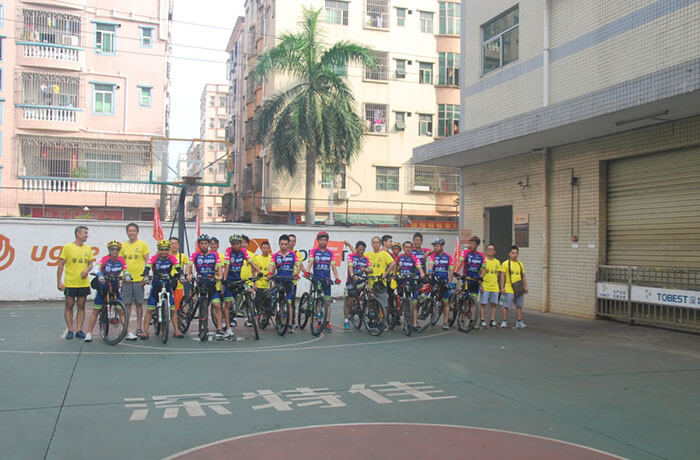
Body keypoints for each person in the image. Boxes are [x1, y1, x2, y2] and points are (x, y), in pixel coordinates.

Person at [84, 241, 129, 342]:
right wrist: (99, 274)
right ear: (109, 250)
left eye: (117, 249)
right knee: (96, 310)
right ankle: (89, 333)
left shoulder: (121, 260)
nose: (114, 251)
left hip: (114, 287)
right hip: (103, 287)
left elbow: (126, 271)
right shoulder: (105, 259)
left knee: (121, 310)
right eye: (112, 249)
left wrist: (127, 276)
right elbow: (96, 268)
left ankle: (128, 331)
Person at [57, 226, 95, 340]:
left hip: (83, 283)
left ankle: (79, 329)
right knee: (69, 305)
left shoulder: (88, 249)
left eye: (87, 233)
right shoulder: (67, 247)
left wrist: (87, 270)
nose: (86, 235)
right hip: (70, 283)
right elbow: (61, 265)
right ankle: (70, 329)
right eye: (85, 233)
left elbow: (90, 264)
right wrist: (59, 281)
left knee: (81, 306)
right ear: (78, 234)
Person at [141, 240, 182, 339]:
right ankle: (145, 332)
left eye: (166, 249)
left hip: (167, 285)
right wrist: (146, 274)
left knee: (173, 309)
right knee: (150, 309)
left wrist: (180, 274)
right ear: (158, 250)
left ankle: (176, 330)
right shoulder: (154, 258)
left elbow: (178, 268)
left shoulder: (172, 258)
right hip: (156, 285)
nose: (164, 252)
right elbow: (147, 267)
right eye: (162, 249)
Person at [187, 235, 225, 337]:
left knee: (217, 305)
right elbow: (189, 266)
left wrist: (220, 276)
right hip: (200, 283)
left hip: (212, 283)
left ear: (208, 244)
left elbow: (219, 266)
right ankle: (203, 326)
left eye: (205, 243)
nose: (203, 245)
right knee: (203, 306)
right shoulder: (194, 255)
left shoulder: (214, 255)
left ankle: (219, 328)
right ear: (199, 244)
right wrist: (188, 275)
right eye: (201, 243)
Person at [222, 234, 259, 335]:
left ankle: (247, 315)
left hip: (238, 279)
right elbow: (227, 266)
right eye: (233, 244)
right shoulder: (228, 251)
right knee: (228, 304)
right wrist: (225, 279)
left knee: (246, 293)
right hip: (229, 280)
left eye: (237, 244)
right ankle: (228, 326)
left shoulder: (243, 252)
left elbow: (251, 262)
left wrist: (259, 272)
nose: (236, 246)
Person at [305, 231, 341, 332]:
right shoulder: (314, 251)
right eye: (321, 240)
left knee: (327, 302)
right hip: (316, 279)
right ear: (318, 241)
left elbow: (333, 266)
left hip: (327, 280)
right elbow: (311, 262)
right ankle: (319, 323)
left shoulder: (330, 253)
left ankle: (328, 323)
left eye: (325, 240)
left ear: (327, 241)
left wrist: (337, 277)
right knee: (319, 301)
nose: (323, 242)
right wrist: (307, 271)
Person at [120, 223, 150, 341]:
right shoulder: (123, 246)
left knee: (138, 304)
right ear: (127, 232)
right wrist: (122, 277)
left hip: (139, 280)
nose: (131, 233)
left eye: (133, 231)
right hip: (127, 280)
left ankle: (138, 327)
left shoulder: (142, 244)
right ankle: (127, 329)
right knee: (126, 305)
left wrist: (145, 277)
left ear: (137, 232)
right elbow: (121, 262)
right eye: (129, 231)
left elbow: (148, 261)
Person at [386, 241, 425, 331]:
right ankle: (396, 315)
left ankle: (414, 324)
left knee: (414, 304)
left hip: (412, 283)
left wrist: (422, 273)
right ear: (403, 249)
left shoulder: (415, 258)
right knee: (399, 300)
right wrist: (392, 274)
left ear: (412, 249)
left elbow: (419, 266)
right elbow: (394, 265)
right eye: (406, 247)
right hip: (401, 282)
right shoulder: (400, 257)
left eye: (409, 247)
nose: (408, 249)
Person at [269, 235, 300, 331]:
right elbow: (272, 266)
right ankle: (282, 322)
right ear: (279, 244)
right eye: (282, 244)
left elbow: (298, 265)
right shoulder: (275, 255)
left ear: (288, 244)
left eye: (286, 244)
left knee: (289, 303)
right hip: (279, 281)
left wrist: (296, 274)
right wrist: (270, 273)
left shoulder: (293, 255)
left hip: (289, 281)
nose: (284, 246)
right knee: (281, 302)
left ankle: (290, 324)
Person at [426, 238, 454, 330]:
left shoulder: (449, 257)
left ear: (441, 246)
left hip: (444, 281)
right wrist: (430, 270)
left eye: (436, 246)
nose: (435, 248)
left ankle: (445, 322)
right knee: (429, 297)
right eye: (434, 246)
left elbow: (451, 271)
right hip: (434, 280)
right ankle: (429, 314)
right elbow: (430, 264)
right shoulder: (433, 256)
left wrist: (449, 282)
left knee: (446, 302)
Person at [343, 241, 372, 332]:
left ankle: (369, 311)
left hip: (363, 281)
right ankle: (346, 321)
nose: (361, 251)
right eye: (359, 249)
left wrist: (366, 269)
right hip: (352, 282)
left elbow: (371, 270)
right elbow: (350, 267)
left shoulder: (366, 259)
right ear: (356, 249)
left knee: (370, 293)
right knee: (349, 301)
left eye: (363, 250)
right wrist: (352, 275)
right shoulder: (351, 257)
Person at [499, 245, 528, 329]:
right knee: (506, 305)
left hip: (519, 288)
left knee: (519, 305)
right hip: (509, 287)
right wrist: (502, 287)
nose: (515, 255)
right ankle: (504, 321)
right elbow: (502, 276)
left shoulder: (520, 264)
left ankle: (519, 321)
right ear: (509, 254)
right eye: (513, 253)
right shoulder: (505, 264)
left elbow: (523, 276)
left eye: (516, 253)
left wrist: (525, 286)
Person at [454, 236, 485, 305]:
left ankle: (473, 315)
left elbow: (484, 269)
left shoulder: (481, 255)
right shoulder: (465, 252)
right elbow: (460, 262)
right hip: (467, 279)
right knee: (465, 301)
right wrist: (456, 272)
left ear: (477, 245)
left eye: (473, 244)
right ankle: (462, 315)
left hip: (475, 280)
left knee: (473, 302)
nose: (471, 245)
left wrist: (481, 277)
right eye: (470, 243)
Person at [479, 243, 501, 329]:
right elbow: (480, 274)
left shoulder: (497, 262)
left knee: (493, 304)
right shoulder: (483, 261)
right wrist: (481, 285)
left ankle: (492, 320)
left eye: (492, 249)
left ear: (494, 251)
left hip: (494, 286)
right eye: (489, 249)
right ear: (486, 251)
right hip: (485, 286)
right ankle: (482, 320)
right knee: (483, 303)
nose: (490, 251)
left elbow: (498, 274)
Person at [288, 234, 305, 331]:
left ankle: (292, 321)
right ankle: (281, 320)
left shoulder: (297, 253)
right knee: (283, 301)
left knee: (292, 302)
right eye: (290, 240)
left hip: (293, 282)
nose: (292, 243)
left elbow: (301, 265)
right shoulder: (282, 253)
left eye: (294, 241)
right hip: (283, 280)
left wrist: (305, 272)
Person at [168, 237, 189, 311]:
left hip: (178, 283)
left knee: (178, 305)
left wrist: (187, 274)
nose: (173, 245)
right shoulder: (165, 255)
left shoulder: (182, 256)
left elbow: (188, 265)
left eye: (175, 243)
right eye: (171, 243)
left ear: (178, 245)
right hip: (167, 281)